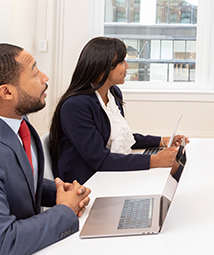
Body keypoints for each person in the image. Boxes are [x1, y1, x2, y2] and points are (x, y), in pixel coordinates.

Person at [49, 37, 188, 184]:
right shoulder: (75, 106)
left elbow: (120, 137)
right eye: (122, 62)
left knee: (172, 166)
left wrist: (160, 141)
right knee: (166, 170)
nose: (127, 66)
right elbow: (99, 159)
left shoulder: (113, 93)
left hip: (107, 171)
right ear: (103, 67)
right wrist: (154, 160)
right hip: (87, 182)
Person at [0, 44, 91, 255]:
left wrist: (64, 192)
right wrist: (65, 210)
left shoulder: (20, 124)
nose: (45, 77)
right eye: (34, 73)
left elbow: (18, 181)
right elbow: (6, 241)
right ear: (7, 92)